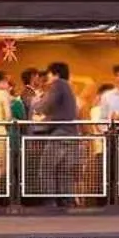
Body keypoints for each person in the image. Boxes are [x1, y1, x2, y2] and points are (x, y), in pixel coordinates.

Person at [32, 61, 82, 199]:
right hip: (72, 134)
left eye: (48, 74)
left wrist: (36, 103)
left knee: (46, 169)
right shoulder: (68, 87)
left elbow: (45, 106)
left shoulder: (58, 84)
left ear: (55, 74)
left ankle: (50, 202)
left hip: (60, 133)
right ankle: (66, 201)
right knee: (64, 171)